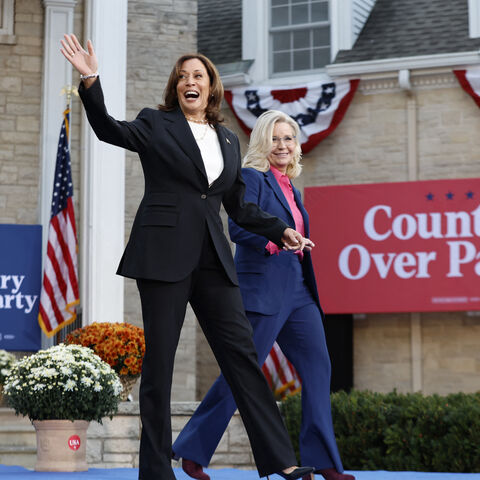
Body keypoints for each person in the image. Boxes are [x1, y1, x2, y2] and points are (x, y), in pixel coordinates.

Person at [60, 35, 315, 480]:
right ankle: (156, 471)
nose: (188, 81)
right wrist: (90, 77)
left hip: (213, 259)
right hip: (162, 256)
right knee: (160, 364)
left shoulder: (229, 141)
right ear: (175, 88)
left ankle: (281, 461)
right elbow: (108, 129)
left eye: (197, 75)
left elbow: (238, 207)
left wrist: (282, 229)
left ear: (211, 87)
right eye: (182, 76)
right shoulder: (156, 125)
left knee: (242, 357)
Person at [173, 110, 355, 480]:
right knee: (242, 374)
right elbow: (239, 227)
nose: (283, 145)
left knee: (319, 369)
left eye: (288, 138)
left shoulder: (292, 188)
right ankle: (191, 450)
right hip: (263, 293)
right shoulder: (252, 179)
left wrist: (295, 244)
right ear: (262, 142)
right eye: (275, 138)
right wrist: (277, 241)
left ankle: (324, 462)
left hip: (300, 293)